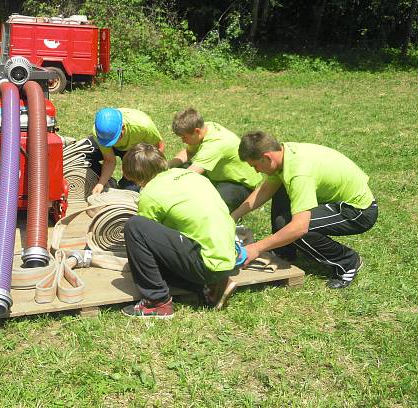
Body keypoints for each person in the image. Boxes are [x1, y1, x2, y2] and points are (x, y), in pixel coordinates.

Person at [232, 131, 378, 289]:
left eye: (255, 166)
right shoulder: (283, 155)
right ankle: (285, 250)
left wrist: (256, 247)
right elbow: (266, 189)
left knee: (299, 230)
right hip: (338, 200)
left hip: (358, 211)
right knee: (282, 192)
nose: (256, 171)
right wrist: (232, 217)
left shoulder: (299, 174)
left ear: (267, 157)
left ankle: (348, 261)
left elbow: (299, 228)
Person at [120, 143, 239, 318]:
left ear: (137, 177)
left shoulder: (151, 193)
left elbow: (146, 242)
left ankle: (157, 302)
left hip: (206, 263)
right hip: (226, 258)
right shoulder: (191, 175)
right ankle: (212, 285)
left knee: (135, 227)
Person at [169, 108, 261, 210]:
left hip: (239, 184)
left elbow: (189, 175)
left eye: (184, 137)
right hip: (218, 176)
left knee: (213, 207)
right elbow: (189, 152)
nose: (182, 141)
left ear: (197, 131)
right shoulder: (205, 127)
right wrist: (166, 167)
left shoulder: (215, 144)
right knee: (178, 169)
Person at [90, 107, 165, 194]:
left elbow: (159, 149)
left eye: (117, 138)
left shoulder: (143, 127)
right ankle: (108, 181)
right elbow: (109, 160)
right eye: (110, 142)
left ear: (123, 127)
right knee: (84, 155)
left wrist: (144, 171)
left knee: (130, 190)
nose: (114, 143)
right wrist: (101, 183)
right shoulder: (101, 134)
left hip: (136, 150)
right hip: (114, 145)